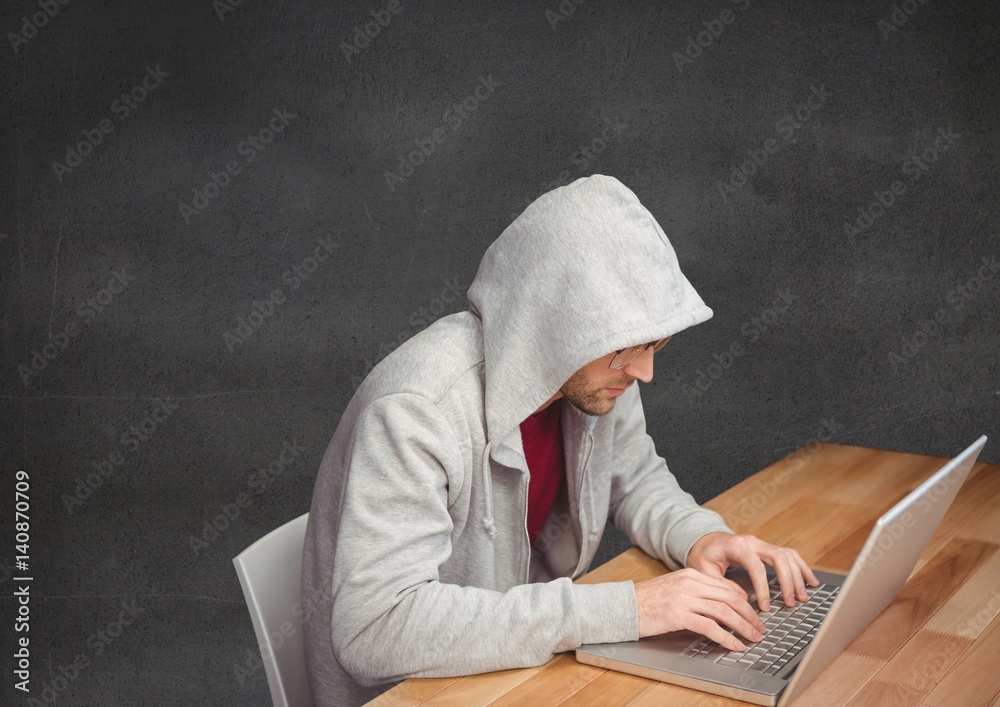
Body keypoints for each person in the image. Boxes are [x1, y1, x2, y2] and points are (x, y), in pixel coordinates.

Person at [300, 174, 818, 706]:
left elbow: (633, 479)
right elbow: (374, 630)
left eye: (654, 344)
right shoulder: (415, 411)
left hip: (520, 673)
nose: (644, 371)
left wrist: (701, 539)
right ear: (557, 324)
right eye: (629, 348)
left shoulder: (594, 374)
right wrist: (631, 609)